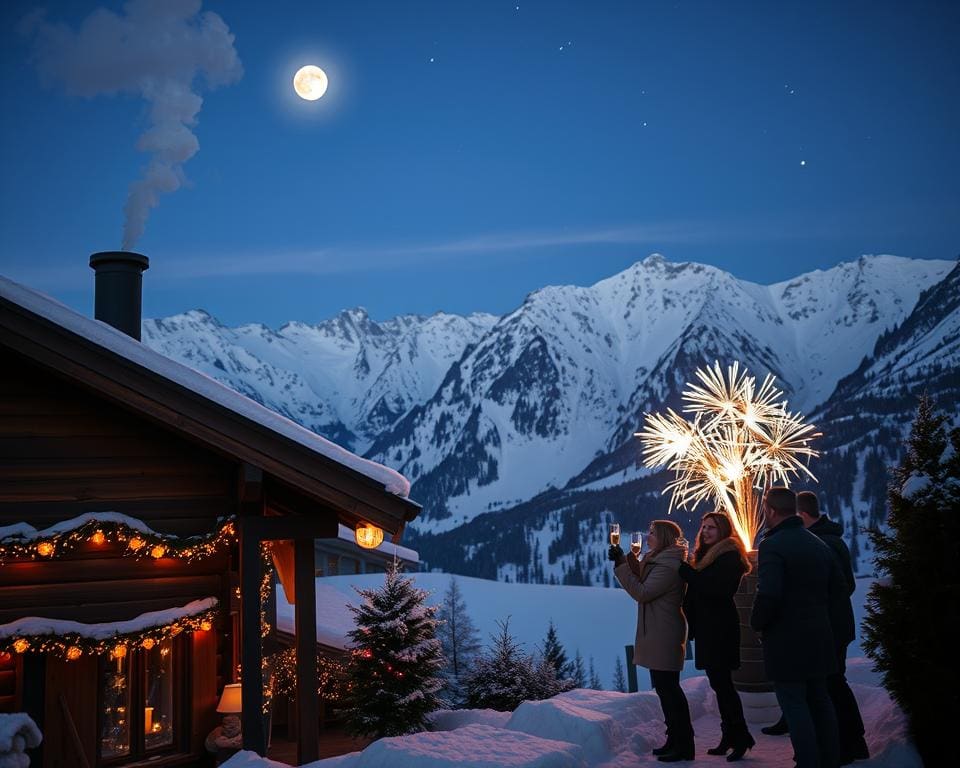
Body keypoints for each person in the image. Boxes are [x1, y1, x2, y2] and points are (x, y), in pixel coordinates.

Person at [751, 487, 843, 768]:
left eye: (764, 509)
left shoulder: (772, 546)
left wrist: (757, 623)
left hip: (786, 642)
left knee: (794, 705)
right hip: (820, 637)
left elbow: (769, 593)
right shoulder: (817, 543)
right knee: (821, 701)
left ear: (771, 511)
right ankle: (830, 760)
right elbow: (839, 589)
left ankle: (807, 762)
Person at [610, 519, 694, 762]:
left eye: (652, 533)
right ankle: (675, 739)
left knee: (669, 689)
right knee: (664, 687)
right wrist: (623, 559)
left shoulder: (669, 565)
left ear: (665, 537)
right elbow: (643, 576)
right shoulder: (660, 558)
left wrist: (620, 565)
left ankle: (684, 744)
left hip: (664, 630)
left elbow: (643, 592)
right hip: (658, 628)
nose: (648, 537)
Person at [797, 491, 869, 764]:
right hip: (833, 626)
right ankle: (846, 740)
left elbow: (840, 587)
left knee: (832, 684)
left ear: (802, 515)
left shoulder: (823, 543)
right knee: (833, 682)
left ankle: (849, 742)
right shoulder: (829, 540)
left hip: (829, 628)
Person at [678, 511, 755, 761]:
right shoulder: (706, 556)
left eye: (712, 527)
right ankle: (731, 736)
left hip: (720, 629)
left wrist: (686, 571)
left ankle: (740, 737)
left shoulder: (729, 556)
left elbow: (714, 589)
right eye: (703, 527)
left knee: (724, 686)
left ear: (723, 531)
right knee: (719, 685)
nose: (706, 531)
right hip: (709, 629)